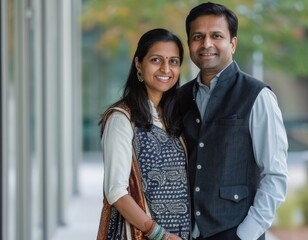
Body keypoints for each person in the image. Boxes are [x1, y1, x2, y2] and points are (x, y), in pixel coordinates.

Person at [177, 2, 288, 240]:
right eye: (198, 36)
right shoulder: (180, 97)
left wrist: (245, 235)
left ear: (233, 44)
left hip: (234, 233)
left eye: (216, 36)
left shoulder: (257, 96)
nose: (206, 44)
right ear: (189, 44)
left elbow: (275, 175)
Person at [97, 28, 190, 240]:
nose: (166, 68)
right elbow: (116, 192)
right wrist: (160, 235)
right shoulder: (122, 119)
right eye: (156, 60)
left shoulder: (175, 117)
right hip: (143, 234)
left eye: (173, 61)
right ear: (139, 63)